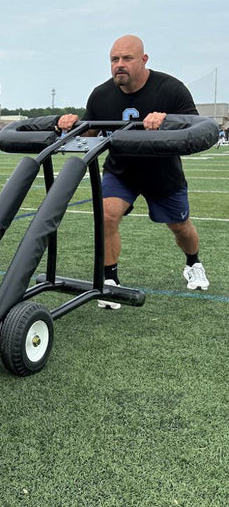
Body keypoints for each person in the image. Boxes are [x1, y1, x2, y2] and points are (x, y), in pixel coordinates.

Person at [58, 35, 209, 306]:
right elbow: (90, 132)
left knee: (180, 227)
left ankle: (193, 262)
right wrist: (71, 124)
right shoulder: (101, 94)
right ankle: (110, 280)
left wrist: (167, 120)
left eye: (127, 58)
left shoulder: (171, 89)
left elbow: (195, 127)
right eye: (114, 59)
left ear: (143, 59)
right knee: (107, 216)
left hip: (162, 172)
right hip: (121, 170)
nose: (119, 65)